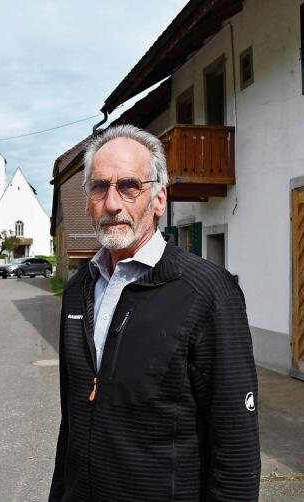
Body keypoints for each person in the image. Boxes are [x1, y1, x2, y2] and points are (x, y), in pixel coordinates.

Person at [49, 125, 260, 501]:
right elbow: (73, 426)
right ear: (87, 202)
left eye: (129, 186)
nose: (112, 203)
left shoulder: (209, 292)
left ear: (159, 199)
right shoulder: (77, 293)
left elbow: (236, 448)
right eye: (99, 187)